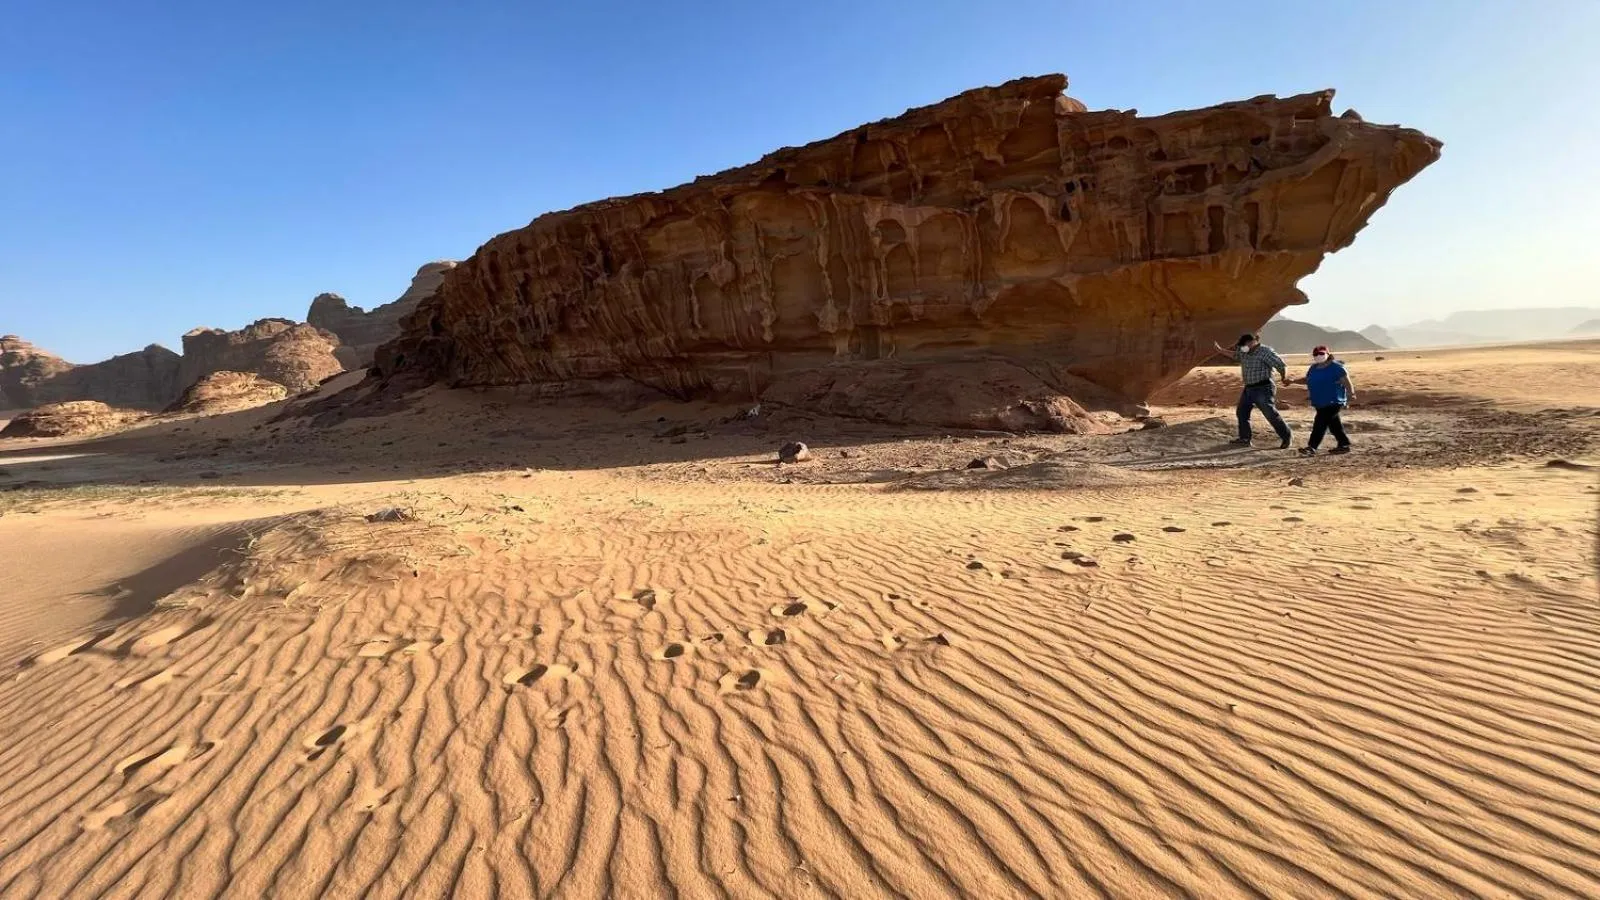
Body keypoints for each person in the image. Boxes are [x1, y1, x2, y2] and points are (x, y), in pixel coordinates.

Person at [1213, 332, 1292, 448]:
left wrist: (1284, 377)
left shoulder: (1265, 352)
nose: (1242, 347)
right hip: (1249, 388)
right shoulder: (1244, 353)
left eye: (1244, 344)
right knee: (1242, 412)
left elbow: (1280, 364)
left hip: (1263, 387)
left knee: (1270, 413)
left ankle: (1286, 437)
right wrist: (1220, 350)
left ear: (1252, 342)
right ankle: (1245, 438)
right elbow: (1235, 355)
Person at [1299, 344, 1354, 455]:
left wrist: (1351, 394)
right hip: (1319, 402)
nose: (1318, 356)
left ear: (1328, 354)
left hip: (1333, 401)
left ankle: (1312, 447)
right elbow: (1307, 380)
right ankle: (1344, 444)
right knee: (1334, 424)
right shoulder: (1313, 368)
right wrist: (1292, 381)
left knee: (1320, 423)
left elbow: (1346, 381)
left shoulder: (1336, 367)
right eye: (1316, 354)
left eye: (1321, 353)